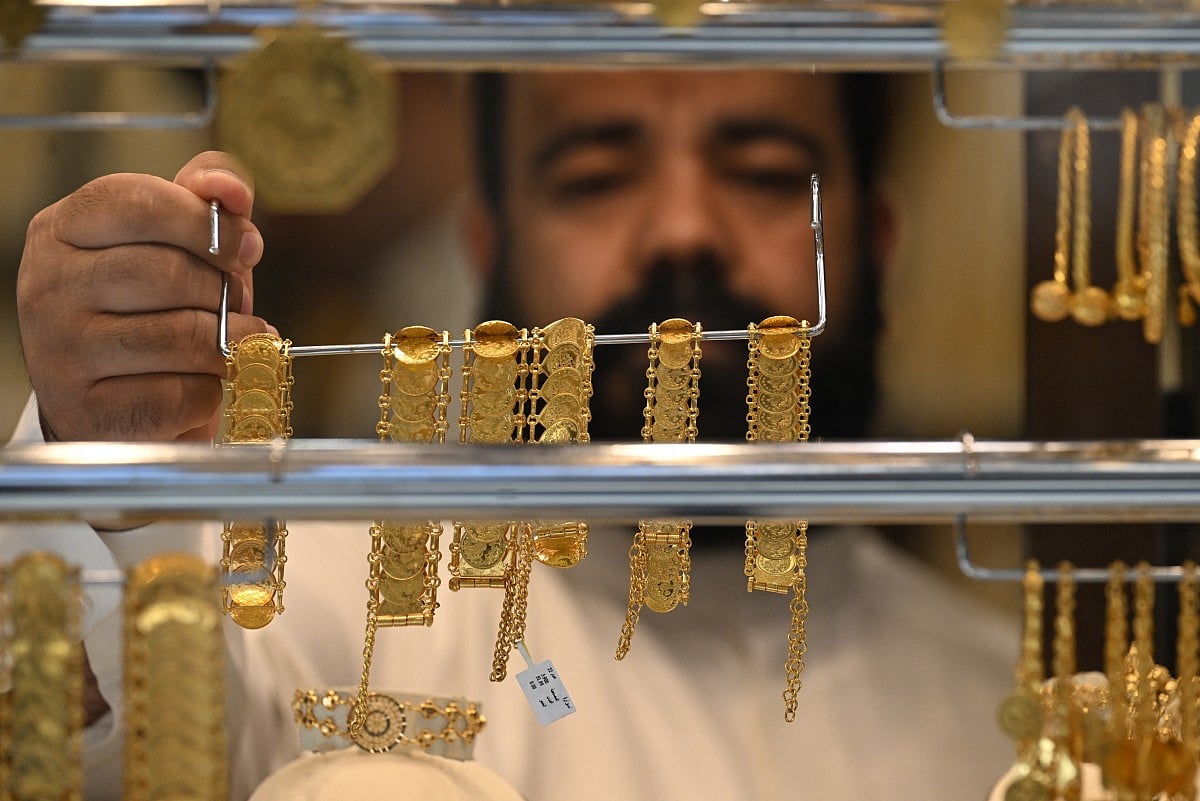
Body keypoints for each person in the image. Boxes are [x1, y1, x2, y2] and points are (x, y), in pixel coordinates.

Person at [6, 70, 1018, 799]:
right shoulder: (329, 607)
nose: (682, 228)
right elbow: (124, 740)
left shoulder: (1011, 707)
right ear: (485, 244)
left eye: (760, 171)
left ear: (876, 243)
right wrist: (104, 466)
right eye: (593, 176)